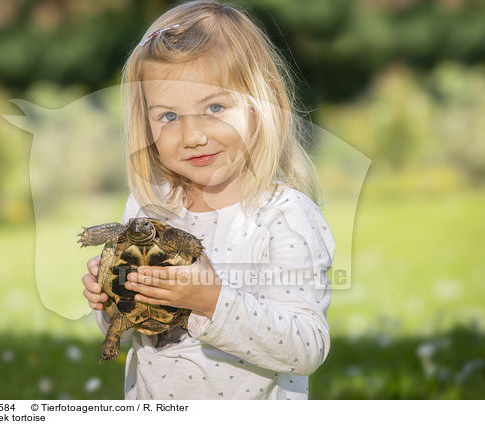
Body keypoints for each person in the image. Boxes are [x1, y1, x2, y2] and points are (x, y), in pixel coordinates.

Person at [82, 0, 335, 400]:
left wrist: (210, 301)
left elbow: (306, 347)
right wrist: (112, 299)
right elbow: (129, 327)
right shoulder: (150, 208)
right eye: (168, 116)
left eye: (214, 108)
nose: (192, 136)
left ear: (260, 103)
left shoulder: (283, 217)